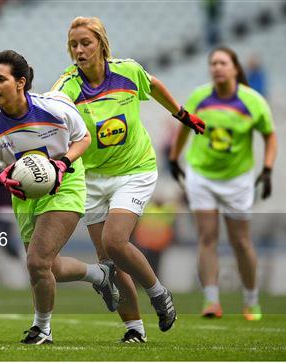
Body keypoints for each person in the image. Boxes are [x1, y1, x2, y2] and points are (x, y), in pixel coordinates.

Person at [52, 17, 205, 342]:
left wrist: (181, 114)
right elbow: (50, 116)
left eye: (86, 43)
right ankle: (134, 329)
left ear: (101, 44)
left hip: (134, 170)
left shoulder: (128, 71)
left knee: (115, 241)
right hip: (92, 179)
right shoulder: (67, 87)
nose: (79, 50)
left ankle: (159, 293)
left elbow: (154, 85)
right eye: (74, 45)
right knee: (108, 261)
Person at [0, 50, 120, 345]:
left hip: (66, 184)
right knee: (43, 266)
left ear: (20, 82)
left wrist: (63, 163)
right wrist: (0, 177)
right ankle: (99, 275)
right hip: (24, 194)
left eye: (1, 79)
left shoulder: (55, 106)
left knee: (37, 262)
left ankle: (42, 329)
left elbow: (84, 138)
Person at [168, 46, 277, 321]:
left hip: (237, 179)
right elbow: (184, 125)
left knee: (240, 241)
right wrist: (173, 157)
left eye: (222, 63)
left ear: (235, 69)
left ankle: (251, 301)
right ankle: (211, 301)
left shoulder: (253, 101)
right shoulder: (200, 97)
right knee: (207, 237)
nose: (216, 67)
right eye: (213, 63)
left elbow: (270, 135)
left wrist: (266, 169)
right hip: (202, 176)